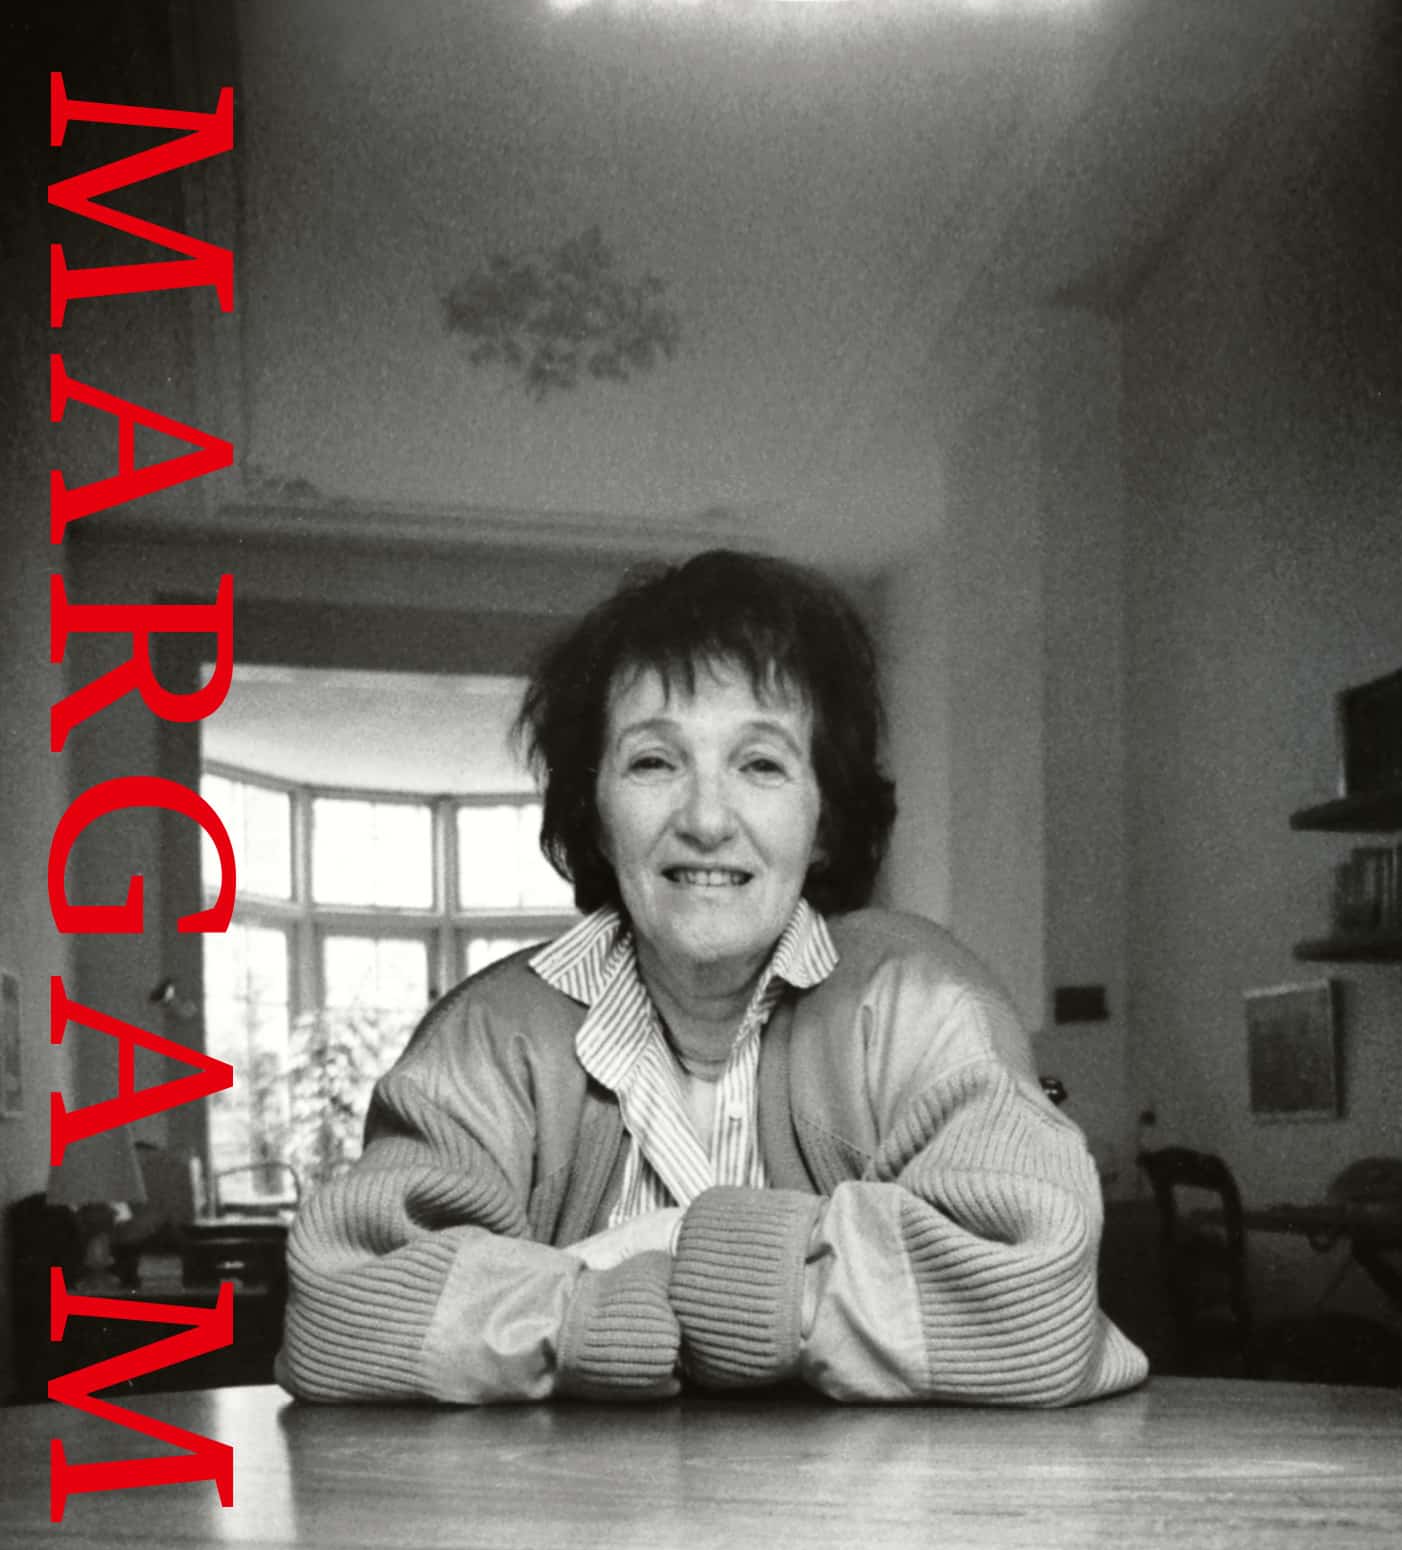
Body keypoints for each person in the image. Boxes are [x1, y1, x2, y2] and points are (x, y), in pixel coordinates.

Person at [278, 550, 1147, 1408]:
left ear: (824, 819)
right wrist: (606, 1312)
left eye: (761, 764)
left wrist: (667, 1246)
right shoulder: (489, 1036)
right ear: (595, 811)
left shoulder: (923, 1005)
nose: (704, 818)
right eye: (653, 762)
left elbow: (1034, 1299)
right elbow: (337, 1314)